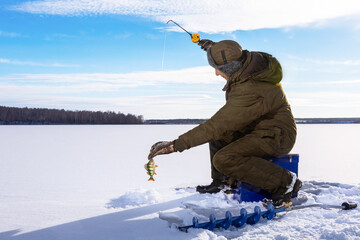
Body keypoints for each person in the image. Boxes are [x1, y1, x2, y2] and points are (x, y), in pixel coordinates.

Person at [148, 39, 302, 206]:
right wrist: (212, 48)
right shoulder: (248, 65)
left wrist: (176, 145)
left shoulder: (250, 90)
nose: (216, 73)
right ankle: (221, 183)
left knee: (224, 159)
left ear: (231, 68)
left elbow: (218, 125)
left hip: (277, 136)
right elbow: (230, 53)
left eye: (219, 69)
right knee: (218, 138)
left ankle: (285, 183)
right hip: (259, 128)